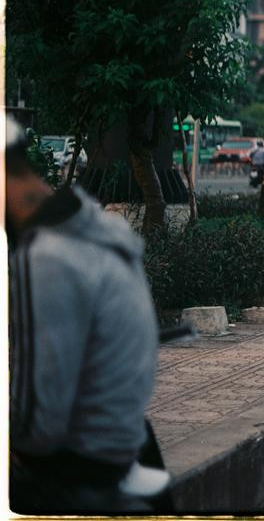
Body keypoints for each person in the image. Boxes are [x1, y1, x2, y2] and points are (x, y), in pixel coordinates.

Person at [7, 117, 160, 513]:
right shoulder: (93, 234)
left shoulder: (45, 257)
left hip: (76, 475)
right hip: (121, 452)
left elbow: (37, 428)